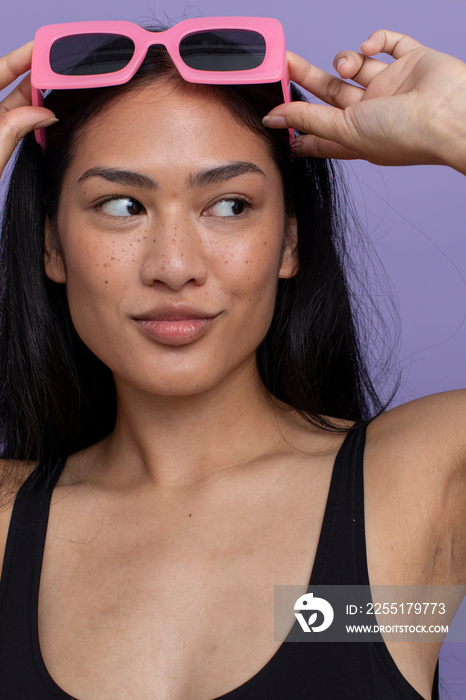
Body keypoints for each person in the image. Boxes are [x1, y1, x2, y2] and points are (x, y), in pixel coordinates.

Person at [0, 20, 464, 700]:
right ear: (53, 247)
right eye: (123, 205)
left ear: (288, 242)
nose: (175, 266)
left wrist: (459, 124)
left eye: (229, 204)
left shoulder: (420, 479)